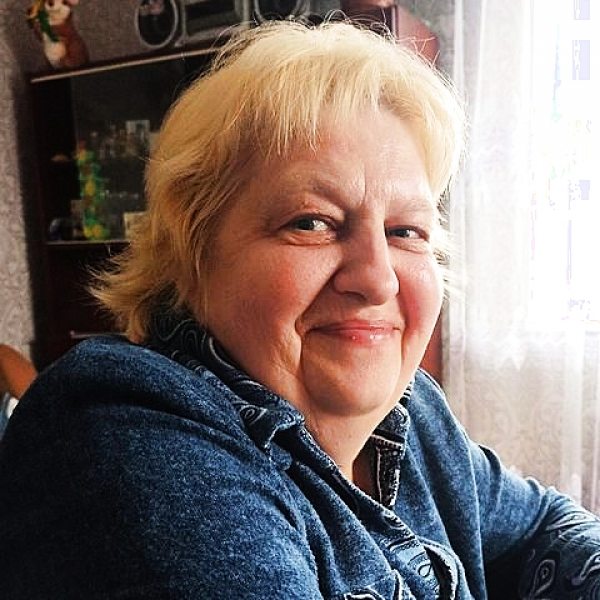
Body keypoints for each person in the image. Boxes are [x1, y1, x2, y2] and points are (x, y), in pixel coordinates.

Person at [0, 20, 599, 600]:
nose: (377, 279)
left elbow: (541, 527)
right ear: (193, 256)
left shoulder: (413, 413)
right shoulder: (130, 434)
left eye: (406, 231)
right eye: (312, 222)